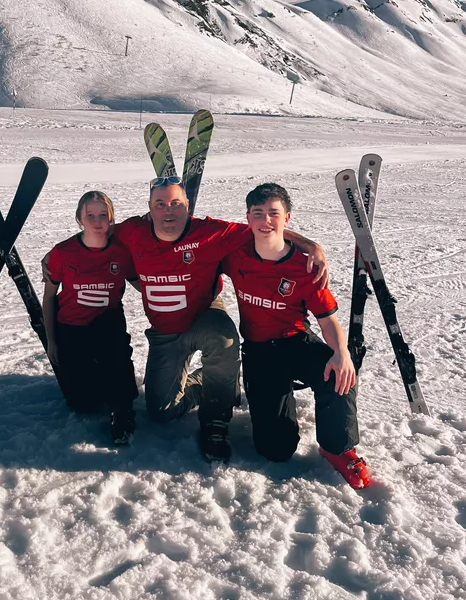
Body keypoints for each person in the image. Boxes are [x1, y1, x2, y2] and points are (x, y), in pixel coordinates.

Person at [112, 177, 328, 462]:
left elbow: (262, 229)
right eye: (160, 204)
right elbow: (97, 233)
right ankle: (211, 383)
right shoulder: (132, 231)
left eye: (176, 204)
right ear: (149, 209)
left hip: (203, 313)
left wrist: (310, 244)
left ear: (187, 206)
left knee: (223, 338)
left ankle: (217, 415)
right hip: (165, 331)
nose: (168, 211)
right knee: (162, 411)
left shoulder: (210, 232)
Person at [220, 182, 370, 489]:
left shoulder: (305, 266)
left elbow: (327, 321)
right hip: (260, 352)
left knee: (338, 370)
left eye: (274, 213)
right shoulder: (235, 254)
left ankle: (338, 447)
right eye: (258, 213)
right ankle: (276, 402)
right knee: (275, 450)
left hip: (296, 340)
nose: (265, 221)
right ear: (248, 217)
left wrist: (341, 353)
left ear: (287, 218)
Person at [42, 190, 138, 445]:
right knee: (84, 404)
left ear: (111, 219)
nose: (97, 221)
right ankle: (97, 380)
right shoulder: (63, 252)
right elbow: (49, 297)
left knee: (115, 356)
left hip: (108, 324)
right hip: (72, 327)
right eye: (90, 215)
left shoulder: (122, 252)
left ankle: (123, 411)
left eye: (103, 215)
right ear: (79, 219)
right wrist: (52, 341)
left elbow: (144, 283)